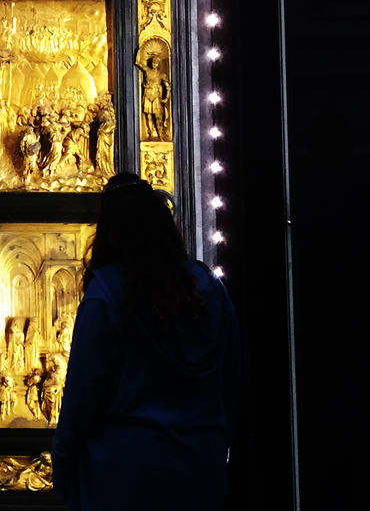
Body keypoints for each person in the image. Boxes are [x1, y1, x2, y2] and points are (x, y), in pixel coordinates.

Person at [51, 172, 239, 511]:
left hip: (124, 472)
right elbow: (231, 382)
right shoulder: (209, 287)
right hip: (199, 467)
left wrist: (63, 468)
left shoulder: (106, 294)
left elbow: (81, 396)